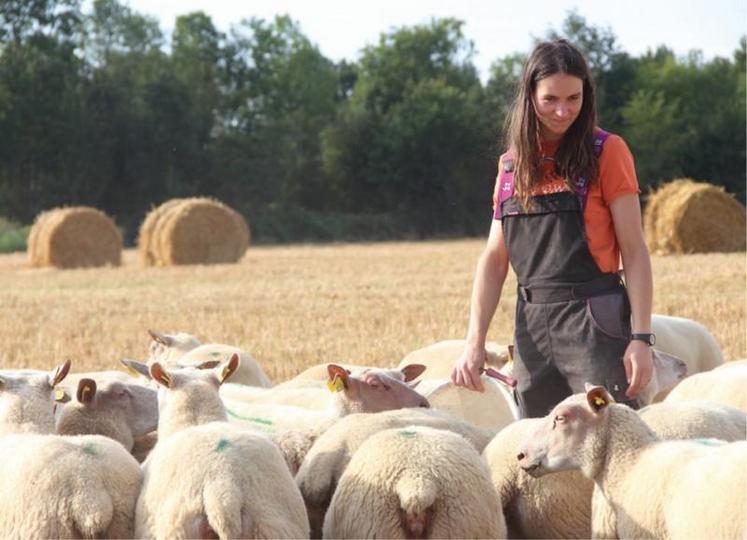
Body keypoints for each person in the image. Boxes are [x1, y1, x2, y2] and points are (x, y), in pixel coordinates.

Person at [451, 39, 654, 418]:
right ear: (530, 96)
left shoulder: (607, 152)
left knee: (608, 436)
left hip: (595, 319)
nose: (563, 111)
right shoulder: (511, 168)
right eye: (550, 99)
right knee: (537, 446)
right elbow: (495, 260)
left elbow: (635, 250)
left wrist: (641, 339)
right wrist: (474, 342)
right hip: (531, 325)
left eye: (574, 99)